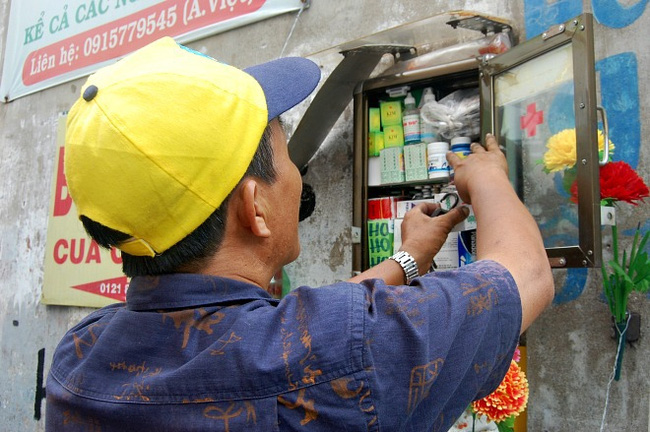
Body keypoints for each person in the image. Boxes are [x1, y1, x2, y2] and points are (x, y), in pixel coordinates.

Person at [46, 36, 553, 431]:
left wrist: (409, 258)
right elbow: (525, 275)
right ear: (254, 207)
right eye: (288, 159)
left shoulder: (79, 357)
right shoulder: (333, 361)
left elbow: (297, 342)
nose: (295, 175)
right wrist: (487, 179)